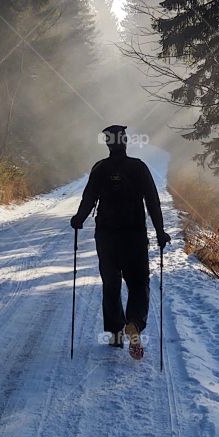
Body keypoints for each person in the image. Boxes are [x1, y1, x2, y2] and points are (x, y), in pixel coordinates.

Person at [70, 124, 171, 360]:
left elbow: (88, 199)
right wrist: (160, 232)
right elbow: (153, 202)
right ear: (125, 142)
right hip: (134, 237)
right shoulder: (138, 168)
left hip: (106, 239)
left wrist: (78, 219)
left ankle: (115, 335)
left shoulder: (100, 169)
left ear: (107, 144)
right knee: (138, 283)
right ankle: (134, 322)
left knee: (111, 285)